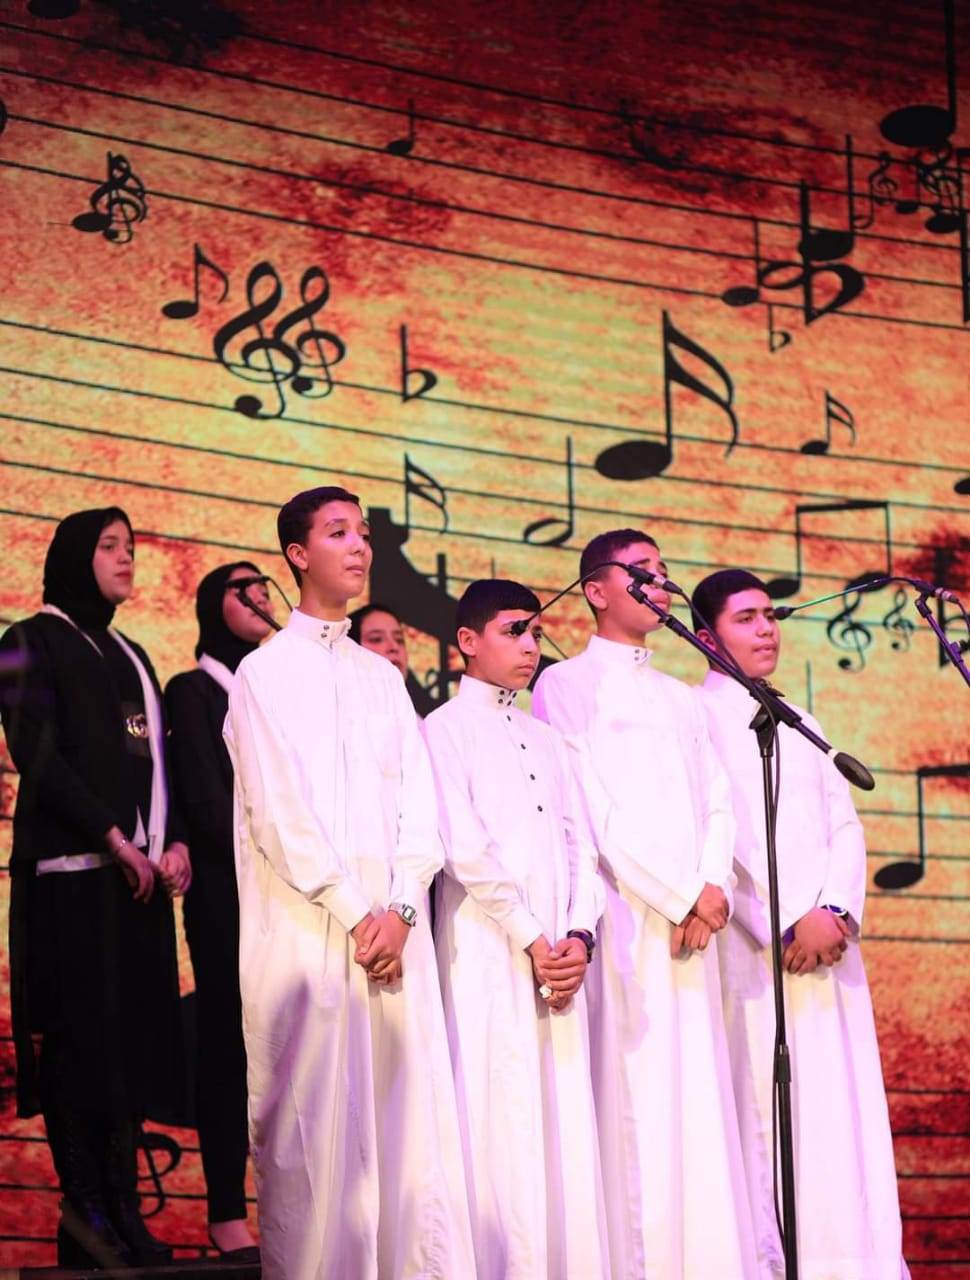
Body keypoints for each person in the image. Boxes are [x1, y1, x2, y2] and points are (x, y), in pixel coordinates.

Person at [223, 486, 474, 1280]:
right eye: (338, 532)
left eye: (362, 532)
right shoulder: (262, 674)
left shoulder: (381, 678)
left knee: (407, 1145)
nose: (359, 546)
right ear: (298, 554)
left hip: (394, 937)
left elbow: (420, 807)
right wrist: (358, 913)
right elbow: (279, 817)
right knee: (316, 1150)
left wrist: (399, 909)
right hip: (310, 937)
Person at [532, 527, 757, 1279]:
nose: (658, 582)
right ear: (596, 591)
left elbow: (718, 797)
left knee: (699, 1102)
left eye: (662, 570)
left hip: (697, 924)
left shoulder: (680, 695)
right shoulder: (565, 686)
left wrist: (713, 885)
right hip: (627, 917)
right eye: (640, 571)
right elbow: (589, 809)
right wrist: (681, 891)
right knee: (635, 1103)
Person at [691, 568, 909, 1279]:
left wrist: (835, 911)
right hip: (759, 956)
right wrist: (787, 923)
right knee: (769, 1120)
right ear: (706, 638)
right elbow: (721, 840)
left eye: (770, 616)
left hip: (828, 950)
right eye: (746, 618)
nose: (766, 630)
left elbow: (844, 825)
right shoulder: (694, 719)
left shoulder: (802, 719)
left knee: (840, 1121)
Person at [0, 507, 189, 1269]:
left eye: (131, 547)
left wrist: (173, 842)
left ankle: (124, 1213)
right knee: (78, 1047)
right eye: (110, 547)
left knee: (128, 1048)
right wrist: (112, 837)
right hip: (73, 880)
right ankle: (84, 1215)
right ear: (75, 556)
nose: (126, 559)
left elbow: (160, 762)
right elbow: (36, 752)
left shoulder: (133, 652)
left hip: (139, 886)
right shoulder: (27, 640)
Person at [423, 579, 608, 1279]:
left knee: (561, 1126)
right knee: (498, 1118)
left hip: (559, 959)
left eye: (534, 631)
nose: (531, 645)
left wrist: (579, 937)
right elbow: (464, 848)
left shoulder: (547, 738)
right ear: (468, 642)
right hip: (487, 953)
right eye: (513, 631)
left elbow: (582, 847)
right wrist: (534, 938)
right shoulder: (442, 730)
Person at [165, 563, 273, 1262]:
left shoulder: (273, 687)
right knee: (227, 1047)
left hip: (287, 896)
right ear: (212, 605)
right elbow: (206, 803)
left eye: (266, 584)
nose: (261, 595)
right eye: (245, 587)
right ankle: (226, 1208)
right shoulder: (192, 690)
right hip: (223, 894)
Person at [348, 601, 437, 717]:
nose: (394, 647)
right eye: (376, 639)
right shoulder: (334, 717)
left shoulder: (422, 725)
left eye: (399, 640)